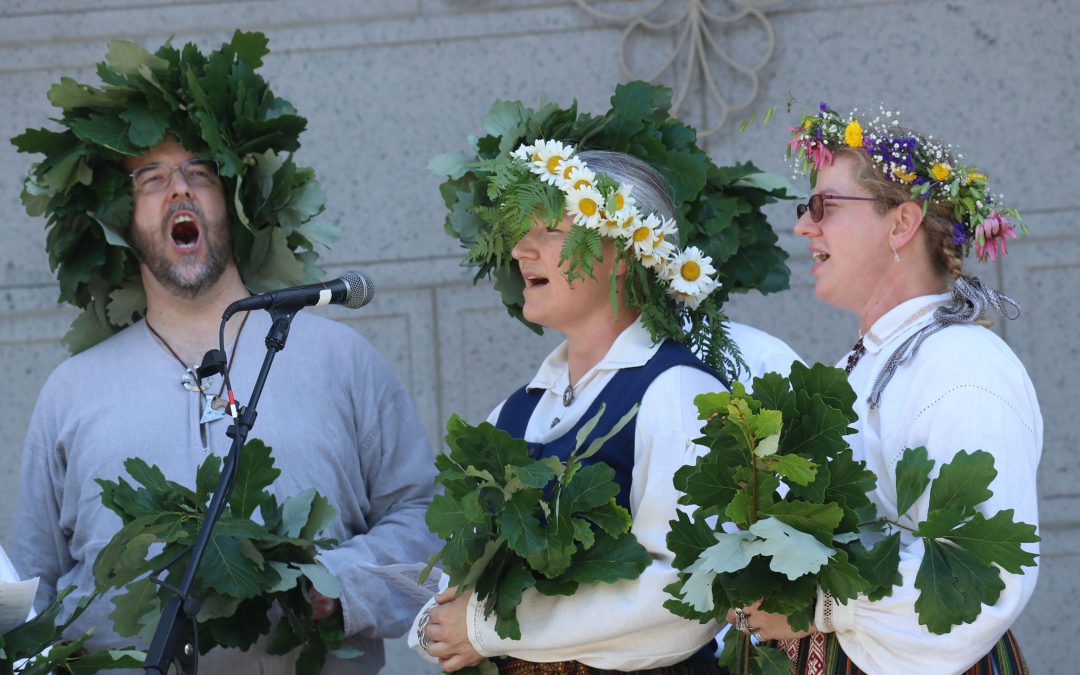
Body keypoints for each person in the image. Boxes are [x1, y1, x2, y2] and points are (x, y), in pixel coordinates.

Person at [10, 33, 438, 674]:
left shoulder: (340, 358)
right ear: (123, 220)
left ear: (235, 203)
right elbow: (33, 588)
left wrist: (338, 581)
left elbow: (425, 519)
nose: (177, 190)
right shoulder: (73, 389)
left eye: (199, 174)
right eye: (150, 178)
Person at [410, 83, 800, 674]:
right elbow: (456, 587)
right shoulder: (512, 413)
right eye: (522, 233)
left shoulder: (676, 393)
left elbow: (684, 597)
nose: (521, 250)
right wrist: (438, 622)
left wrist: (488, 628)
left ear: (622, 253)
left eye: (550, 232)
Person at [724, 103, 1041, 674]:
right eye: (805, 207)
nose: (803, 226)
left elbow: (980, 580)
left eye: (825, 206)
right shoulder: (872, 360)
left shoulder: (960, 365)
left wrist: (819, 604)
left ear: (901, 223)